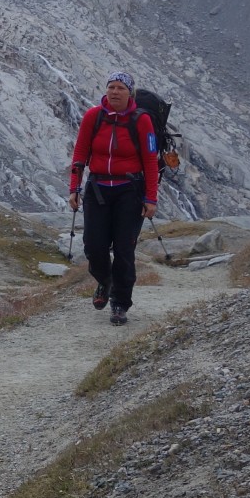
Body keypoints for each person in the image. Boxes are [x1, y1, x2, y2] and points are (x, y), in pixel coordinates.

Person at [68, 72, 159, 326]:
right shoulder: (93, 116)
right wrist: (74, 188)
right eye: (111, 87)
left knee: (123, 249)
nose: (115, 92)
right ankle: (105, 280)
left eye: (120, 88)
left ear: (130, 93)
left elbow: (150, 161)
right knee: (93, 245)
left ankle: (120, 303)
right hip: (97, 188)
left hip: (129, 191)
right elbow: (80, 153)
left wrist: (151, 198)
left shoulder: (141, 120)